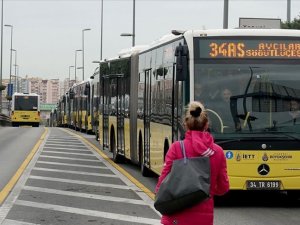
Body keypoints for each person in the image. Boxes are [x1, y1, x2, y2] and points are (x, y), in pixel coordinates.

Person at [155, 101, 229, 225]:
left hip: (176, 216)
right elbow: (223, 188)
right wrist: (205, 190)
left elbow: (162, 183)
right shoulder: (218, 152)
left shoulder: (176, 148)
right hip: (203, 219)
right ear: (206, 125)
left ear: (185, 125)